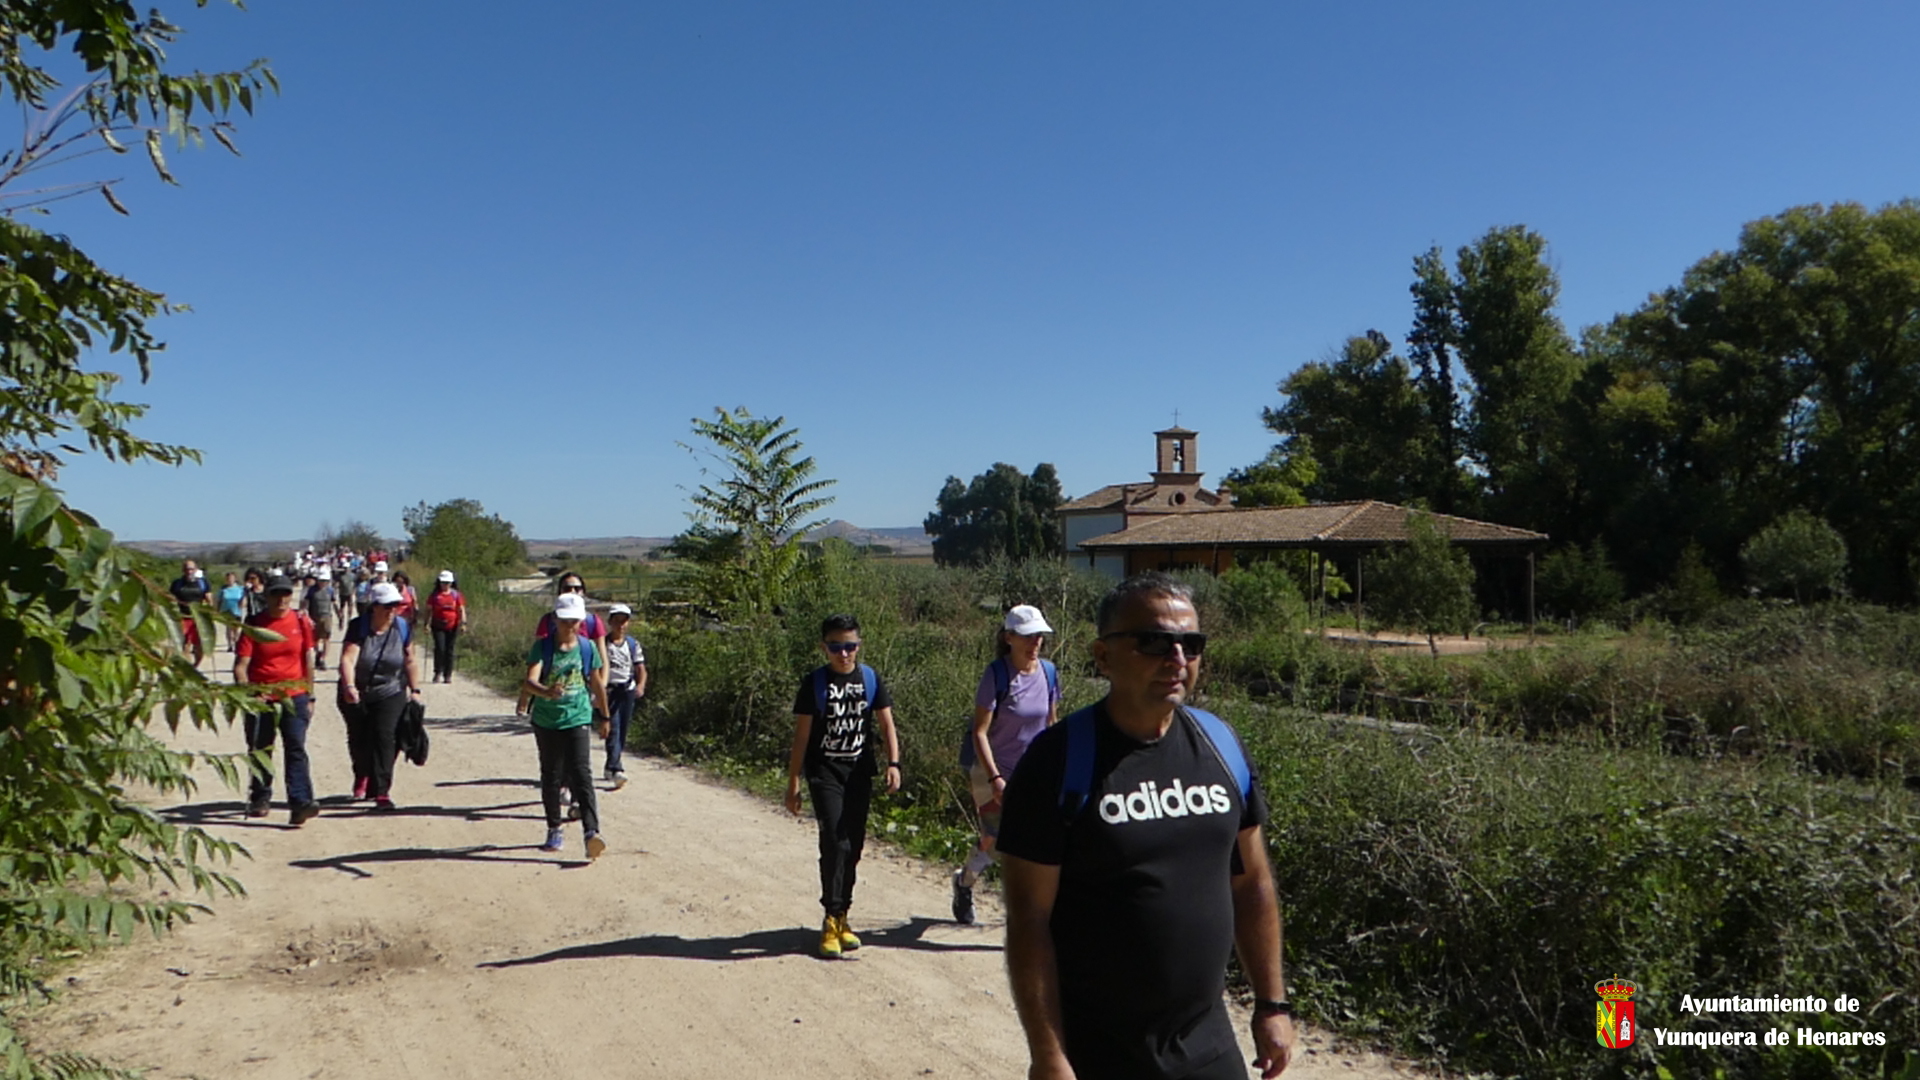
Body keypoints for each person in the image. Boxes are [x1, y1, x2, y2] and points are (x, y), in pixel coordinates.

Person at [997, 572, 1295, 1080]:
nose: (1177, 658)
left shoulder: (1221, 747)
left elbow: (1253, 883)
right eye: (1154, 642)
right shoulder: (1057, 761)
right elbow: (1029, 920)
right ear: (1103, 656)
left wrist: (1272, 1004)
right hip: (1100, 1052)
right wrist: (1049, 1055)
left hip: (1208, 1046)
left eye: (1191, 644)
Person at [784, 613, 902, 959]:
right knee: (835, 841)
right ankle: (831, 916)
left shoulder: (869, 679)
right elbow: (801, 737)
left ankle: (843, 915)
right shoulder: (815, 683)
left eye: (850, 646)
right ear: (824, 648)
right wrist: (794, 782)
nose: (844, 653)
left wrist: (893, 764)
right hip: (825, 772)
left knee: (854, 845)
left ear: (859, 646)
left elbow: (887, 725)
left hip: (859, 773)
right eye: (836, 647)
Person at [952, 604, 1062, 926]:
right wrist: (996, 778)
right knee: (995, 840)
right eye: (1028, 636)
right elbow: (980, 731)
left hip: (1034, 774)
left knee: (1035, 842)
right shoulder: (996, 675)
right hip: (992, 771)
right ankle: (965, 882)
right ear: (1009, 638)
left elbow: (1051, 724)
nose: (1035, 642)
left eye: (1039, 635)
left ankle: (1030, 912)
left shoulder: (1049, 672)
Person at [522, 591, 610, 859]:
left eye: (574, 621)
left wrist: (605, 717)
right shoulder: (542, 647)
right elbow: (529, 681)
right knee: (551, 775)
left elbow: (596, 683)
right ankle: (554, 827)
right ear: (555, 620)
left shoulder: (587, 647)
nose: (569, 626)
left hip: (578, 716)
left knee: (582, 773)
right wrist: (546, 692)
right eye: (564, 621)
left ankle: (591, 832)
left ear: (581, 621)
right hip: (547, 720)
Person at [234, 575, 320, 825]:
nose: (281, 599)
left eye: (286, 593)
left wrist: (310, 694)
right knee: (261, 749)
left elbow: (308, 661)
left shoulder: (300, 622)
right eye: (276, 594)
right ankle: (260, 797)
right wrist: (250, 693)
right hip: (262, 698)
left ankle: (300, 802)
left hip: (294, 696)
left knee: (296, 747)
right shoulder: (254, 625)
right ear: (266, 596)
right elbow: (241, 666)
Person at [338, 581, 422, 809]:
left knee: (386, 737)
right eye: (387, 605)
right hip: (358, 690)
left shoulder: (402, 627)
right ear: (374, 606)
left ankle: (381, 790)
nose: (392, 610)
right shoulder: (359, 627)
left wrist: (415, 690)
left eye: (396, 605)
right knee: (360, 739)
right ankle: (362, 774)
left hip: (391, 689)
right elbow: (348, 659)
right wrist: (349, 686)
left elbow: (410, 660)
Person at [601, 603, 647, 788]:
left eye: (624, 621)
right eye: (617, 621)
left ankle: (610, 764)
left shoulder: (632, 645)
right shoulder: (602, 644)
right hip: (609, 692)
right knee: (613, 728)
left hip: (627, 690)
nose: (620, 625)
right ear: (610, 622)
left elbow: (640, 668)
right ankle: (616, 768)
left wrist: (641, 685)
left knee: (622, 730)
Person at [425, 570, 468, 683]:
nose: (445, 585)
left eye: (447, 583)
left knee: (450, 650)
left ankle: (447, 674)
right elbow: (429, 610)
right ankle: (437, 672)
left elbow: (461, 609)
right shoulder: (434, 596)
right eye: (443, 582)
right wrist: (426, 624)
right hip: (437, 625)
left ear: (451, 583)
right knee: (440, 648)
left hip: (452, 625)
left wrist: (463, 623)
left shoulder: (456, 595)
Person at [168, 559, 211, 666]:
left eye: (191, 569)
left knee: (199, 645)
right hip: (183, 617)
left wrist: (210, 613)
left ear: (195, 570)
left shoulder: (203, 583)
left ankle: (196, 665)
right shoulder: (177, 583)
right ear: (183, 570)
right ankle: (188, 666)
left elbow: (209, 599)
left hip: (199, 618)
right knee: (185, 644)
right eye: (187, 569)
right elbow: (170, 599)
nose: (189, 571)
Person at [304, 567, 337, 671]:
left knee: (326, 638)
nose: (323, 583)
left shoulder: (330, 590)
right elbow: (306, 603)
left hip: (326, 616)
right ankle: (318, 653)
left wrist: (340, 615)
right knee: (315, 638)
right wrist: (305, 614)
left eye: (325, 581)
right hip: (314, 616)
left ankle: (323, 658)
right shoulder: (311, 590)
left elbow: (334, 603)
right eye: (321, 580)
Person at [216, 571, 246, 652]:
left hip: (237, 611)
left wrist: (242, 606)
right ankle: (230, 645)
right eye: (228, 578)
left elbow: (243, 599)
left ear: (235, 579)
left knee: (236, 629)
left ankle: (236, 643)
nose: (230, 580)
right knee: (229, 628)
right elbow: (219, 601)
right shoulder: (223, 590)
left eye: (231, 578)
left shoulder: (240, 589)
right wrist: (217, 610)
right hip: (226, 611)